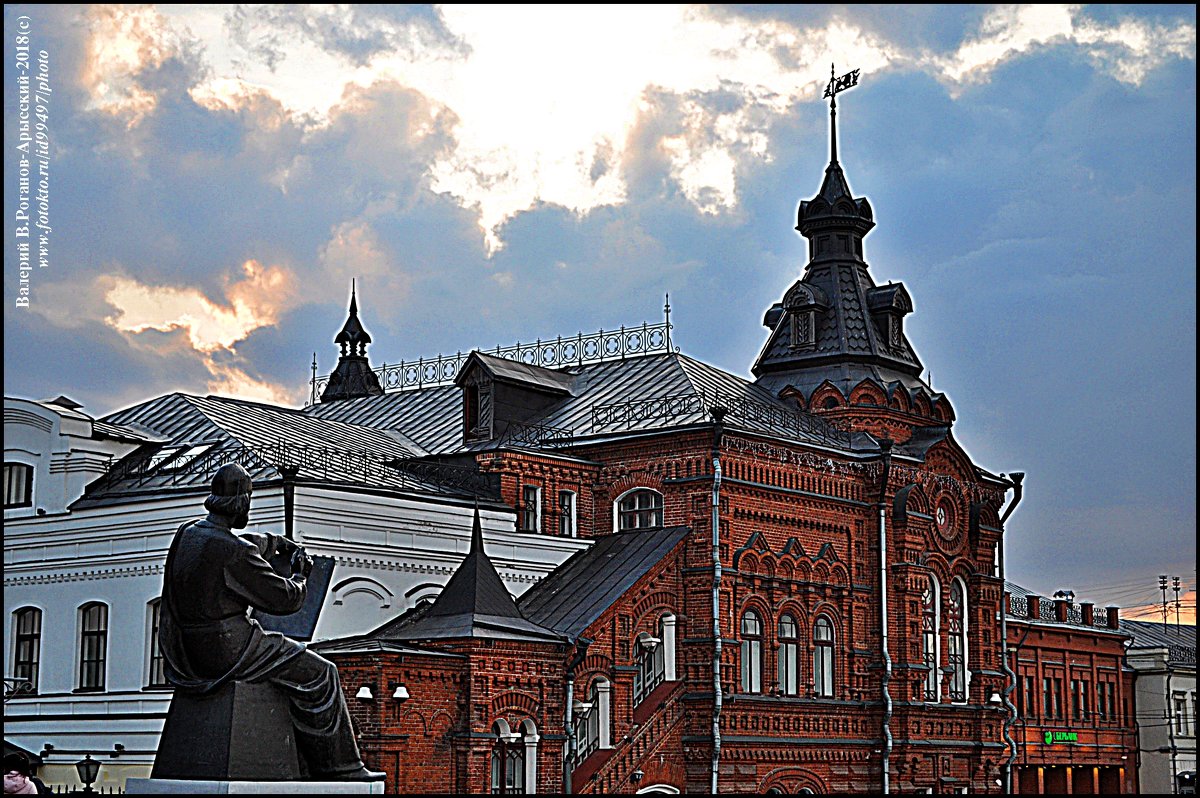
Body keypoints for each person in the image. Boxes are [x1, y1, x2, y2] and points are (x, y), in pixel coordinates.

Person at [158, 463, 383, 781]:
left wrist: (272, 542)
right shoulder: (235, 553)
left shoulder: (188, 535)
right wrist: (301, 575)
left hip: (189, 653)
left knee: (289, 670)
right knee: (321, 674)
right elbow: (285, 599)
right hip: (230, 650)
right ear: (242, 502)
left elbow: (238, 544)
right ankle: (341, 769)